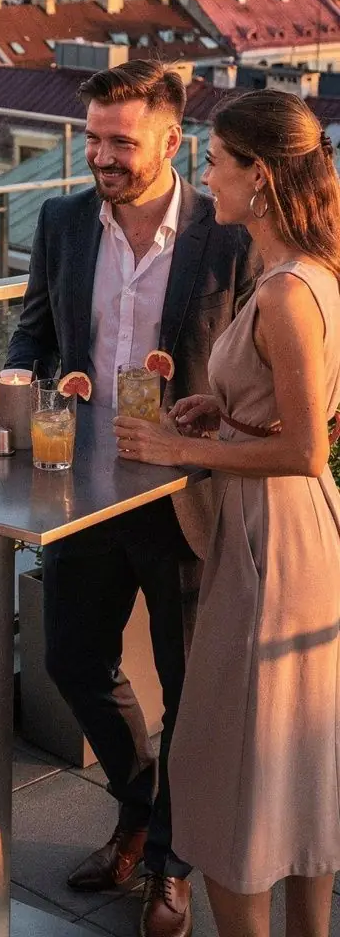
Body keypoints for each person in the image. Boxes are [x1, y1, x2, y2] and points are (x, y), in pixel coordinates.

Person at [6, 59, 256, 937]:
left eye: (120, 140)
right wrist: (2, 389)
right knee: (73, 658)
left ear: (172, 140)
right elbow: (35, 330)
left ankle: (165, 864)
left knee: (190, 690)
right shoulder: (63, 218)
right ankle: (142, 801)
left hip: (188, 491)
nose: (101, 155)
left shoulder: (229, 234)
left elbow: (264, 368)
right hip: (85, 489)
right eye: (92, 137)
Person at [115, 89, 340, 937]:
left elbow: (305, 448)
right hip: (300, 533)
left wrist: (186, 452)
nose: (205, 176)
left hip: (267, 536)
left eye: (215, 161)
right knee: (296, 764)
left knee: (231, 773)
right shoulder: (312, 273)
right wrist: (224, 409)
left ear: (260, 177)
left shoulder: (285, 290)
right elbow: (304, 414)